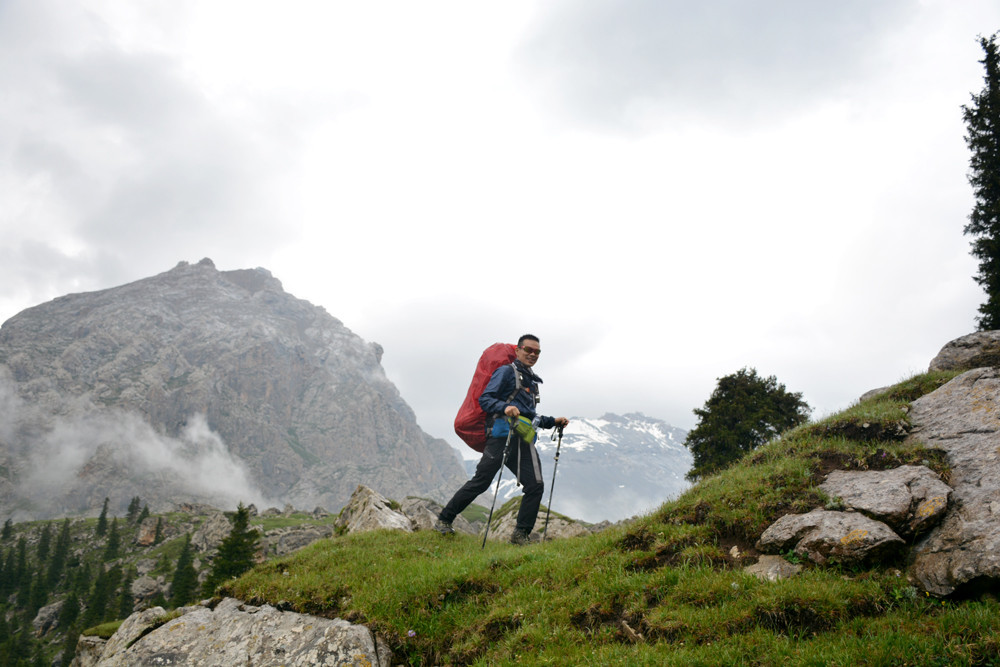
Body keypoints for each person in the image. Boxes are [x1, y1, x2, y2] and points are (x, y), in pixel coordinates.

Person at [435, 334, 569, 545]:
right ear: (518, 350)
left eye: (537, 352)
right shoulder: (506, 372)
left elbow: (529, 416)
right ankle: (444, 520)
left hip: (523, 439)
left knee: (535, 485)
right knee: (481, 482)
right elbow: (485, 399)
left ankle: (520, 535)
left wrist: (553, 421)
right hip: (500, 436)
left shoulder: (532, 382)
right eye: (528, 350)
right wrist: (505, 407)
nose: (532, 355)